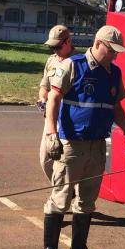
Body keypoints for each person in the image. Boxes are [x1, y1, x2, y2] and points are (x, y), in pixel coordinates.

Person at [41, 25, 125, 249]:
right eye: (111, 50)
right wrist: (52, 134)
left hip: (97, 146)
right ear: (97, 44)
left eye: (117, 51)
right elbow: (53, 98)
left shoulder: (114, 73)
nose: (114, 55)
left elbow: (116, 108)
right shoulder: (73, 65)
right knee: (60, 198)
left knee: (87, 200)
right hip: (72, 144)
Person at [37, 25, 76, 182]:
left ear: (68, 42)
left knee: (67, 161)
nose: (55, 51)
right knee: (46, 158)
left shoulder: (78, 62)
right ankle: (59, 189)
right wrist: (42, 98)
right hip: (51, 117)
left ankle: (64, 191)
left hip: (69, 118)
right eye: (52, 47)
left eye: (58, 47)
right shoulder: (51, 60)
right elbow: (44, 86)